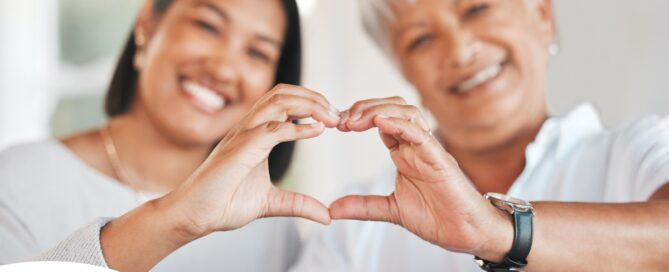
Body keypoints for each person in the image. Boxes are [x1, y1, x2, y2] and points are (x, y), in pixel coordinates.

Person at [291, 0, 669, 271]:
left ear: (542, 14)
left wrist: (497, 231)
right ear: (406, 73)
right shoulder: (358, 228)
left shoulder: (638, 152)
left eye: (476, 9)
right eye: (421, 39)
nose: (459, 51)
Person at [0, 0, 339, 271]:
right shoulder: (20, 180)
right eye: (207, 26)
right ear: (148, 24)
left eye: (257, 53)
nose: (222, 69)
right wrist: (173, 221)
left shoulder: (271, 231)